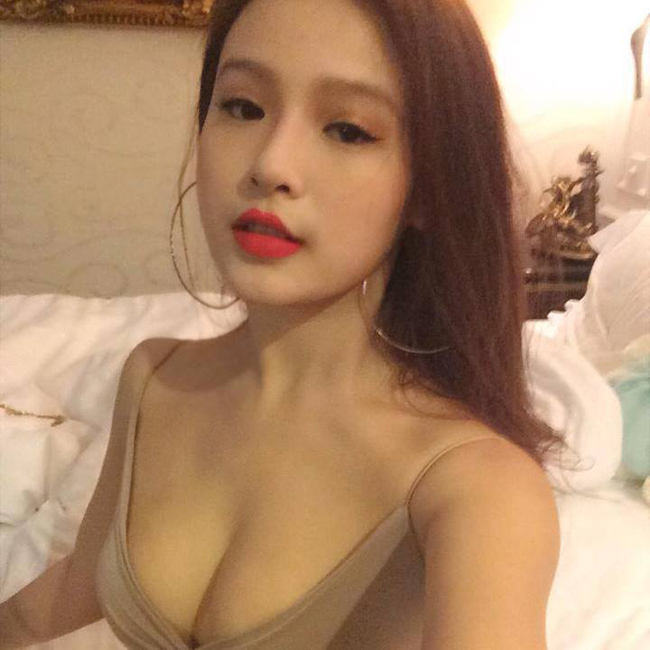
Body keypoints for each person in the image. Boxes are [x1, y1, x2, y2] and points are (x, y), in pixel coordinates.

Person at [0, 0, 567, 648]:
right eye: (243, 107)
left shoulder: (478, 490)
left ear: (430, 187)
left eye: (348, 130)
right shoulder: (155, 381)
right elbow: (57, 605)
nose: (270, 164)